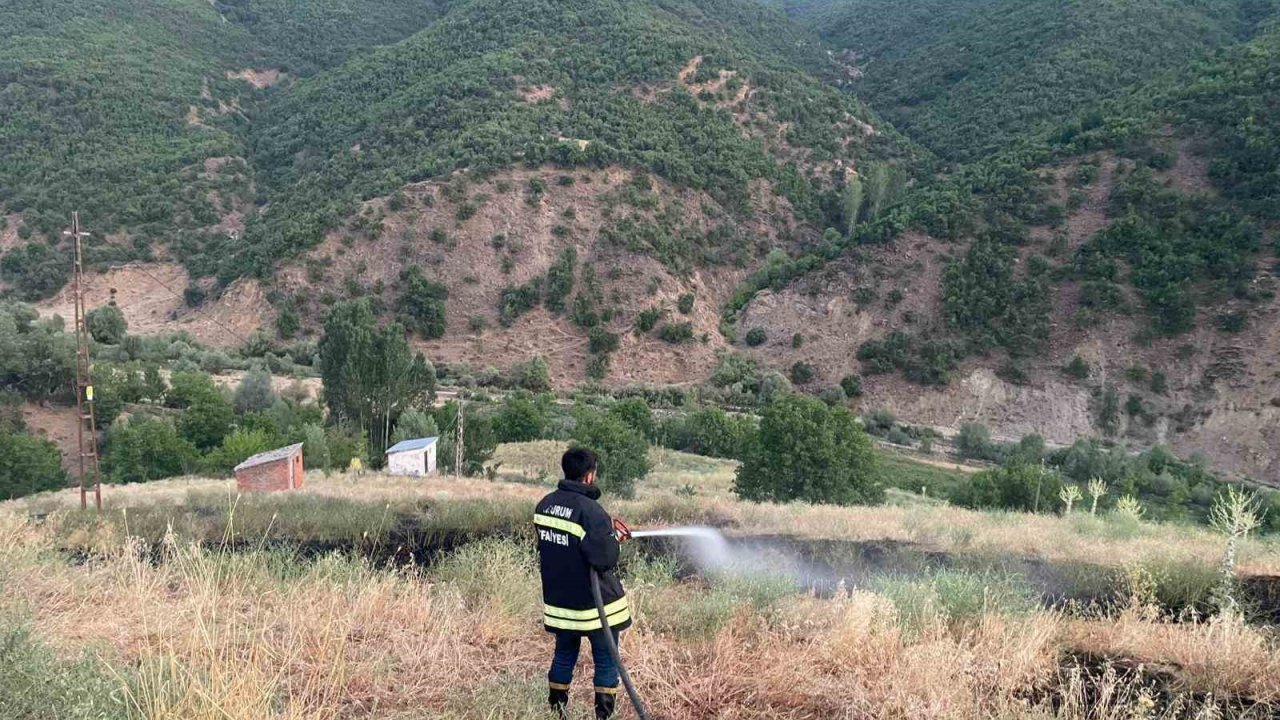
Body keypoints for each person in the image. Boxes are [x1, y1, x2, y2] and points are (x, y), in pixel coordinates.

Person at [534, 447, 633, 719]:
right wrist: (614, 540)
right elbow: (604, 559)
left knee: (564, 656)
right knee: (606, 660)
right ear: (589, 476)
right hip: (594, 606)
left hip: (560, 603)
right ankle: (603, 716)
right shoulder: (591, 511)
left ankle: (557, 713)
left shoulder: (544, 505)